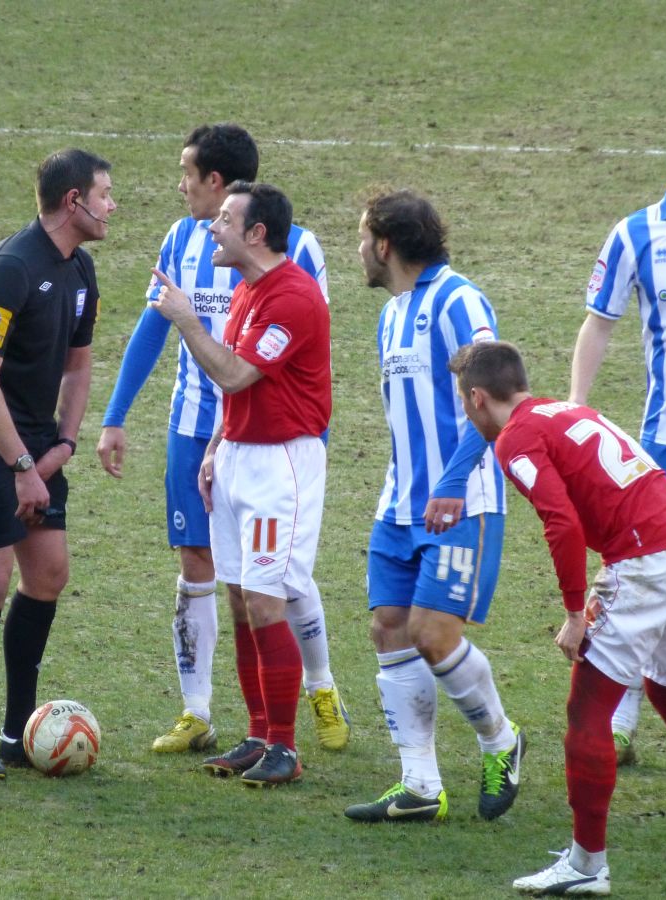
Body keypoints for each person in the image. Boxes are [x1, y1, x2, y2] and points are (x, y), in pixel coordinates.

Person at [96, 123, 349, 756]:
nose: (180, 188)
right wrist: (123, 415)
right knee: (223, 582)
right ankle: (212, 715)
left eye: (187, 174)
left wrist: (305, 438)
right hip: (214, 434)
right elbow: (157, 332)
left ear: (221, 188)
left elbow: (279, 356)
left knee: (277, 585)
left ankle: (313, 694)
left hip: (279, 444)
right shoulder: (195, 249)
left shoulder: (294, 267)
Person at [450, 340, 666, 894]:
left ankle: (586, 865)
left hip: (647, 559)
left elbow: (563, 524)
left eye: (463, 401)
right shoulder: (565, 410)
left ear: (477, 397)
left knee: (587, 709)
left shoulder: (515, 440)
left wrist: (576, 612)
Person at [343, 188, 523, 823]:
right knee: (388, 627)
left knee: (433, 635)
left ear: (386, 244)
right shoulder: (391, 315)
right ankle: (419, 784)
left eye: (363, 237)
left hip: (463, 499)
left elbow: (498, 395)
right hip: (399, 504)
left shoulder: (459, 300)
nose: (359, 249)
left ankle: (501, 740)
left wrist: (448, 482)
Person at [0, 148, 114, 779]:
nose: (112, 206)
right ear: (74, 203)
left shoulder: (82, 271)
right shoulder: (11, 271)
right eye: (104, 194)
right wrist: (21, 465)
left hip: (35, 439)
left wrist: (62, 446)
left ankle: (18, 730)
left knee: (48, 574)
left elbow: (80, 365)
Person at [149, 181, 331, 786]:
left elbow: (233, 373)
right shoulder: (250, 291)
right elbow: (244, 393)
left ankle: (285, 745)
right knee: (238, 598)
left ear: (257, 233)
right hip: (236, 457)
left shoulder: (294, 299)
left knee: (265, 601)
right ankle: (258, 735)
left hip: (280, 465)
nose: (212, 228)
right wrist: (216, 444)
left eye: (225, 219)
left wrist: (184, 318)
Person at [569, 111, 666, 767]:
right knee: (635, 573)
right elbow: (599, 323)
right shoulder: (636, 234)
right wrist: (575, 406)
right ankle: (624, 719)